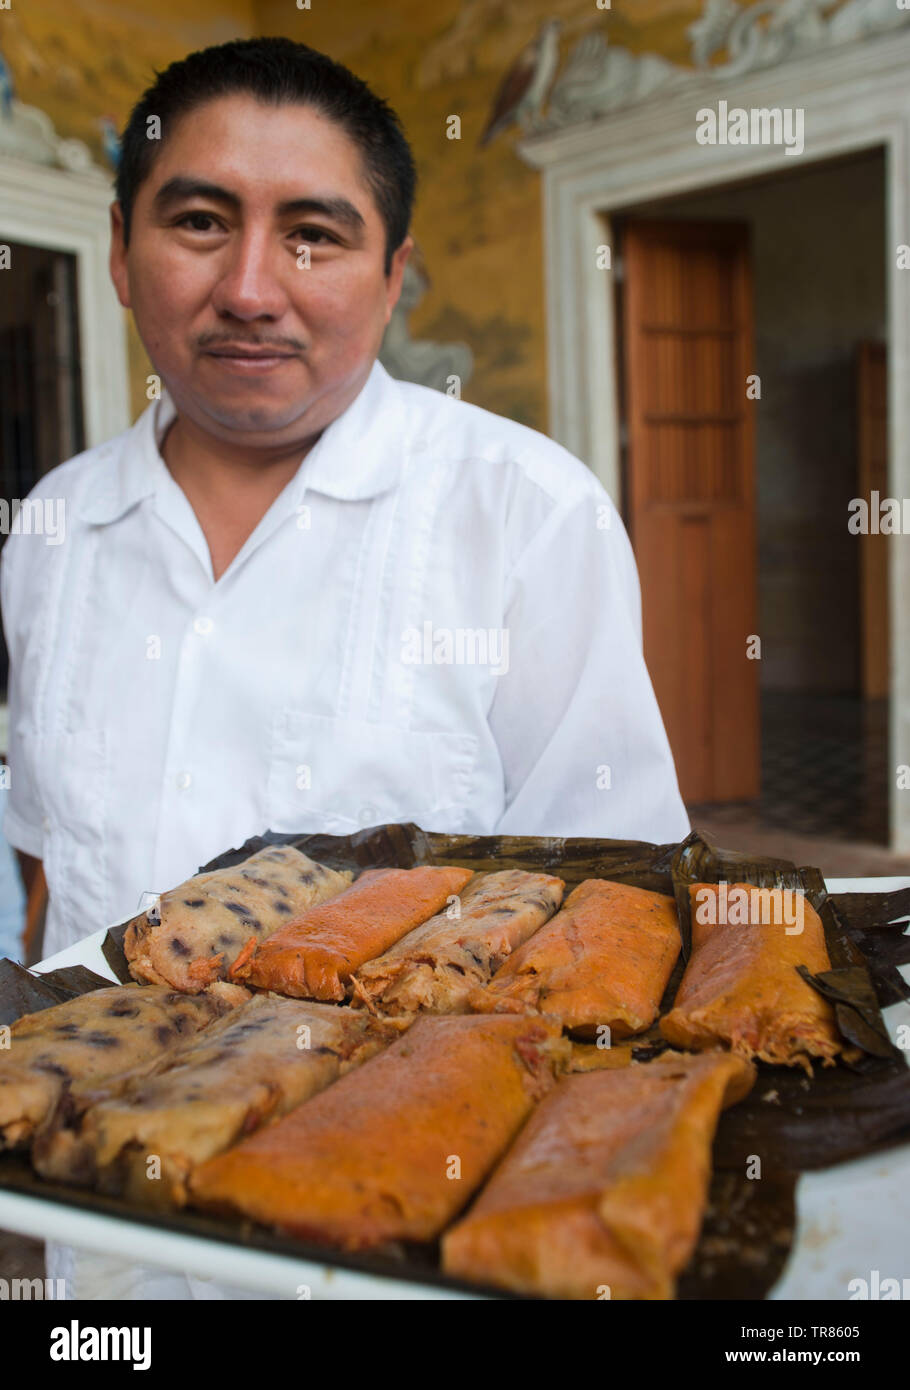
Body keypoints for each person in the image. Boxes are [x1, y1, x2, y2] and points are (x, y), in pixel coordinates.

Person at [1, 37, 689, 1300]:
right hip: (99, 1248)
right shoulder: (50, 527)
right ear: (116, 248)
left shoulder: (523, 513)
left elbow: (616, 916)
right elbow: (45, 873)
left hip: (393, 1243)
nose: (252, 286)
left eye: (314, 233)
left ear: (393, 274)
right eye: (200, 220)